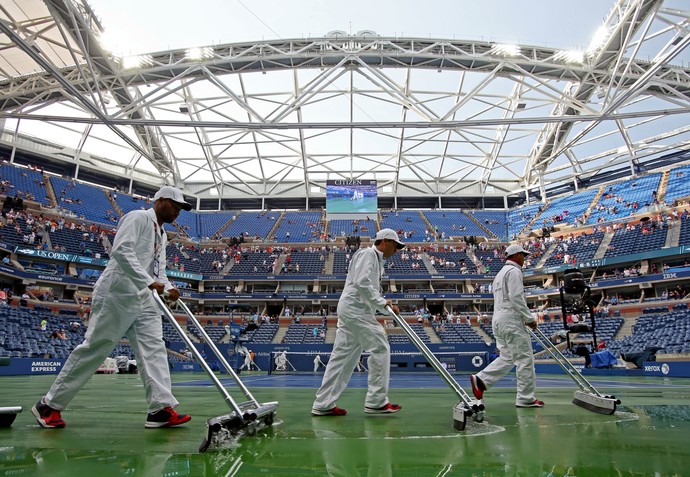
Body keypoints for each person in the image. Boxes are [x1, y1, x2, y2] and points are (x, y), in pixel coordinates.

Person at [32, 186, 193, 429]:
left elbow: (159, 269)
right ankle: (49, 405)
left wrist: (169, 288)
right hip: (117, 294)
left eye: (181, 208)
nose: (178, 211)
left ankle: (160, 409)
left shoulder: (161, 234)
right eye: (175, 205)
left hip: (144, 298)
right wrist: (149, 282)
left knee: (154, 349)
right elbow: (121, 251)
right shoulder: (137, 218)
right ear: (159, 201)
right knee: (96, 347)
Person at [311, 228, 405, 416]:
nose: (397, 250)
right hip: (355, 310)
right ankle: (376, 401)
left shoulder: (377, 261)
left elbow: (366, 287)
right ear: (385, 241)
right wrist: (382, 303)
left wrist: (383, 304)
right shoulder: (367, 254)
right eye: (395, 245)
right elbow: (361, 283)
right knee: (380, 345)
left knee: (343, 358)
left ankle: (323, 404)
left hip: (354, 310)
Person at [469, 244, 544, 408]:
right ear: (516, 255)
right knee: (525, 359)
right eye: (523, 255)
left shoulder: (499, 274)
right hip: (512, 320)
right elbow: (516, 297)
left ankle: (481, 380)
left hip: (499, 319)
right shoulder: (514, 271)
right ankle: (526, 398)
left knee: (508, 357)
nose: (524, 258)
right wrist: (529, 318)